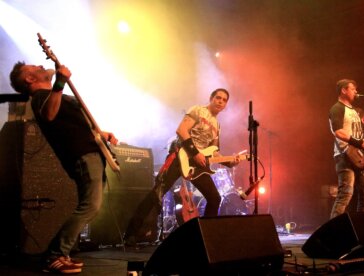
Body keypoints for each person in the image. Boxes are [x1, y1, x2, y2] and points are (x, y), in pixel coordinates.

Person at [9, 62, 118, 274]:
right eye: (34, 67)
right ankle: (56, 254)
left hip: (89, 151)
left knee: (91, 205)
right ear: (30, 79)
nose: (41, 64)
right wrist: (60, 83)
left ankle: (60, 253)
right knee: (91, 205)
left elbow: (76, 126)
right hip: (82, 155)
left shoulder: (53, 96)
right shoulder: (41, 97)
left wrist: (100, 134)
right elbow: (49, 115)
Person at [124, 88, 239, 245]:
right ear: (211, 98)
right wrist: (194, 153)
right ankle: (130, 233)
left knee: (214, 198)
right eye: (218, 98)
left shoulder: (217, 126)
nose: (220, 101)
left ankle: (206, 237)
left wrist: (230, 162)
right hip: (180, 156)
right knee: (157, 193)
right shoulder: (198, 110)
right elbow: (182, 131)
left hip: (197, 166)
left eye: (224, 100)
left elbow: (214, 152)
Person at [328, 79, 364, 219]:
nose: (356, 92)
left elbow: (361, 133)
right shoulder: (337, 108)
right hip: (344, 156)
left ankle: (360, 226)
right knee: (345, 194)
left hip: (359, 158)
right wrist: (360, 143)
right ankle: (333, 231)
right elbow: (338, 132)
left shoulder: (354, 111)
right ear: (344, 90)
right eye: (353, 89)